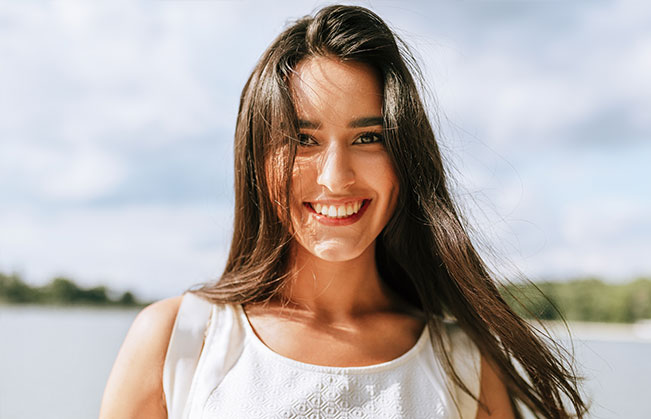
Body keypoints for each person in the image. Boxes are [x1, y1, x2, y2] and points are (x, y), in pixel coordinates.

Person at [100, 5, 586, 419]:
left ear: (405, 158)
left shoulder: (463, 367)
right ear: (256, 159)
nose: (336, 176)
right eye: (303, 140)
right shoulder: (180, 342)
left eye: (368, 138)